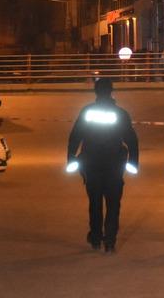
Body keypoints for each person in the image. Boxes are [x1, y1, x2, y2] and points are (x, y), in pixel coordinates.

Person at [67, 78, 139, 253]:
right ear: (111, 91)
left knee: (95, 202)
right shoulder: (120, 113)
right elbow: (131, 140)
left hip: (91, 164)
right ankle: (110, 241)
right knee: (113, 203)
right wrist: (133, 162)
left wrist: (71, 159)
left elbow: (75, 136)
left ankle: (96, 238)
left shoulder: (87, 112)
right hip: (114, 165)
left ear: (96, 92)